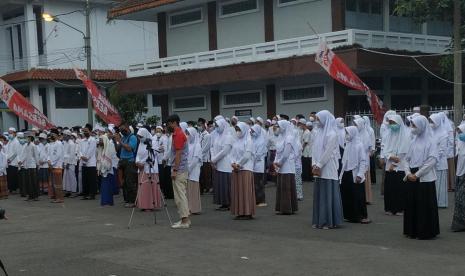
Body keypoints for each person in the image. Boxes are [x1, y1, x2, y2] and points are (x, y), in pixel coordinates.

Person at [403, 115, 440, 240]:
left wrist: (417, 174)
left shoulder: (431, 142)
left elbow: (432, 160)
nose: (412, 128)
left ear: (421, 126)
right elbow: (406, 159)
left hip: (424, 177)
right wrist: (408, 173)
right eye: (412, 125)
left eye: (414, 125)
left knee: (424, 205)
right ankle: (412, 230)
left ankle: (425, 231)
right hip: (412, 176)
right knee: (412, 203)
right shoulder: (413, 141)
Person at [311, 110, 343, 229]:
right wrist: (314, 163)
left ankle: (328, 221)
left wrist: (319, 164)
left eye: (318, 119)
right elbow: (314, 149)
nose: (317, 121)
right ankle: (319, 220)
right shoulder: (318, 132)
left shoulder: (332, 134)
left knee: (327, 192)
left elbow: (328, 152)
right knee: (320, 193)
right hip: (318, 166)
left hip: (328, 166)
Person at [339, 126, 370, 224]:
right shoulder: (348, 144)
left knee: (358, 196)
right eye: (346, 133)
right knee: (347, 195)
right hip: (346, 173)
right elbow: (345, 161)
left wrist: (360, 174)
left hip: (355, 174)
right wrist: (341, 175)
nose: (346, 135)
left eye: (348, 133)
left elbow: (363, 161)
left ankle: (361, 216)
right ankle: (349, 215)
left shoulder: (359, 145)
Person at [166, 114, 191, 229]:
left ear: (174, 123)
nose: (168, 126)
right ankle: (183, 219)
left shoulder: (179, 135)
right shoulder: (177, 134)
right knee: (179, 195)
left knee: (180, 195)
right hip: (180, 168)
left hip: (180, 169)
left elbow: (178, 154)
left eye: (169, 124)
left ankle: (185, 220)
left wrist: (175, 170)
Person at [383, 115, 410, 216]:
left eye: (394, 123)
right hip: (389, 163)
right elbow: (385, 150)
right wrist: (390, 156)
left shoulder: (405, 135)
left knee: (399, 187)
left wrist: (394, 164)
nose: (392, 125)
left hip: (400, 165)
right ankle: (389, 208)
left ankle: (400, 208)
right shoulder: (388, 135)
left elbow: (403, 152)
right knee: (390, 187)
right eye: (390, 123)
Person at [230, 122, 256, 219]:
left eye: (239, 130)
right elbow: (231, 154)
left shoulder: (249, 141)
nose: (238, 132)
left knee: (245, 191)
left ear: (244, 130)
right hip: (236, 169)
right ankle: (240, 212)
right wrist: (232, 163)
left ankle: (247, 212)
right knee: (238, 191)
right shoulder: (236, 141)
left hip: (245, 168)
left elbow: (247, 155)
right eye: (236, 130)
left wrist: (238, 164)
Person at [273, 120, 298, 215]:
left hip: (287, 165)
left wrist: (279, 162)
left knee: (286, 188)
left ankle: (287, 209)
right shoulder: (280, 137)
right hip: (280, 165)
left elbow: (286, 153)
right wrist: (275, 162)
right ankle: (282, 208)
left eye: (278, 126)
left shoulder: (289, 137)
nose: (276, 128)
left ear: (283, 127)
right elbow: (277, 152)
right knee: (281, 187)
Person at [135, 128, 161, 211]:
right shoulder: (140, 144)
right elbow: (138, 154)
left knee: (149, 187)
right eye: (138, 136)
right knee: (143, 188)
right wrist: (138, 162)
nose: (140, 138)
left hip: (149, 168)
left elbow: (152, 155)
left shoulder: (152, 143)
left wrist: (143, 163)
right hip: (141, 168)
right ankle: (143, 205)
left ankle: (150, 205)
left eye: (141, 136)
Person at [211, 118, 234, 211]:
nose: (216, 128)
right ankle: (223, 203)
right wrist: (213, 159)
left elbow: (224, 151)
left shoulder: (228, 137)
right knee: (220, 184)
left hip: (225, 164)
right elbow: (212, 147)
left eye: (217, 126)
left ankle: (228, 203)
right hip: (218, 163)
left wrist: (214, 159)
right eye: (215, 126)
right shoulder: (217, 136)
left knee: (226, 184)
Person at [115, 123, 138, 207]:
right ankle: (127, 199)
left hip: (130, 161)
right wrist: (117, 141)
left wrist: (120, 141)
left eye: (123, 129)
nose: (122, 131)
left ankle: (132, 201)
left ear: (128, 128)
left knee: (130, 182)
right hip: (122, 161)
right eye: (120, 129)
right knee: (123, 182)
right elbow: (118, 148)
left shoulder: (132, 137)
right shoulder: (123, 137)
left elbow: (129, 148)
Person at [429, 112, 449, 208]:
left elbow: (442, 150)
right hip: (432, 161)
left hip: (440, 162)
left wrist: (434, 159)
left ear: (437, 122)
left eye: (432, 122)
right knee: (434, 184)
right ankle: (433, 201)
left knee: (440, 184)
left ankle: (441, 203)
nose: (430, 124)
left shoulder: (443, 134)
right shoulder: (431, 132)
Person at [452, 124, 465, 232]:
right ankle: (460, 223)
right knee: (460, 198)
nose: (460, 134)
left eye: (461, 132)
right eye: (459, 132)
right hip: (460, 174)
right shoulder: (460, 143)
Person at [186, 127, 202, 214]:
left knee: (193, 188)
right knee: (188, 189)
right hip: (187, 169)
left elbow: (195, 159)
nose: (187, 136)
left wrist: (189, 169)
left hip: (194, 169)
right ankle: (188, 207)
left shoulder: (197, 145)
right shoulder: (188, 144)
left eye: (188, 134)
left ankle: (194, 208)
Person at [19, 133, 39, 201]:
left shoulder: (33, 146)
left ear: (31, 139)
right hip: (27, 165)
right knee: (28, 182)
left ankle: (35, 196)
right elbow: (24, 154)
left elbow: (36, 155)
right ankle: (30, 195)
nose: (27, 139)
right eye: (27, 137)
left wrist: (37, 164)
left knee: (33, 181)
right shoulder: (26, 145)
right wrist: (21, 161)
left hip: (32, 165)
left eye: (28, 138)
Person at [251, 124, 267, 207]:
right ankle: (255, 199)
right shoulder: (252, 139)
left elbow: (259, 154)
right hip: (252, 164)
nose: (252, 132)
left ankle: (261, 200)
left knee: (259, 183)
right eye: (251, 131)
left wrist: (252, 160)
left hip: (258, 164)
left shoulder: (261, 141)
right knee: (254, 184)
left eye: (253, 131)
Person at [98, 134, 116, 206]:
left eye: (101, 140)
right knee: (104, 187)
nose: (99, 142)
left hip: (109, 169)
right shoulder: (101, 147)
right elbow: (99, 157)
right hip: (103, 169)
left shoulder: (110, 146)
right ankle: (105, 201)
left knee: (108, 186)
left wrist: (106, 167)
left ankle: (108, 202)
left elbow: (111, 158)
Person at [80, 127, 97, 200]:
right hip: (83, 162)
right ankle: (85, 194)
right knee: (85, 179)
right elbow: (79, 150)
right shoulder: (82, 140)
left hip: (91, 162)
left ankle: (92, 194)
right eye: (84, 131)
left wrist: (86, 157)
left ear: (90, 131)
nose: (85, 132)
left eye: (86, 131)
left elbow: (91, 150)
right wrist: (81, 156)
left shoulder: (93, 140)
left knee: (91, 179)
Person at [48, 132, 64, 204]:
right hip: (52, 165)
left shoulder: (59, 143)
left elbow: (58, 155)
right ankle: (55, 197)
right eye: (51, 135)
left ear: (57, 136)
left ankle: (60, 198)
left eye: (53, 135)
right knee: (54, 183)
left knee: (58, 183)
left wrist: (52, 163)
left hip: (57, 165)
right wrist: (48, 161)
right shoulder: (51, 144)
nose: (52, 136)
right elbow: (48, 154)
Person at [198, 118, 212, 194]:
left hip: (205, 158)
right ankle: (202, 189)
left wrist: (199, 155)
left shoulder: (207, 135)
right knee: (201, 175)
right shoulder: (199, 134)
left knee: (206, 174)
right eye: (198, 125)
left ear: (204, 125)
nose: (199, 126)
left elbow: (206, 148)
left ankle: (207, 188)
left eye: (200, 125)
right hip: (200, 158)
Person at [62, 130, 78, 197]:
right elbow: (64, 153)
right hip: (66, 162)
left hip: (70, 163)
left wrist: (68, 163)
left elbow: (71, 155)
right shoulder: (65, 143)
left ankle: (73, 192)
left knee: (72, 177)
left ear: (68, 136)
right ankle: (68, 191)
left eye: (64, 135)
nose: (63, 136)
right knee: (66, 178)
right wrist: (63, 162)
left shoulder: (72, 143)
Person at [6, 127, 21, 194]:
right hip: (8, 162)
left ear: (15, 133)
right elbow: (7, 151)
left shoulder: (16, 142)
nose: (9, 134)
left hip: (14, 162)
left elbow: (16, 153)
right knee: (9, 176)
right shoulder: (9, 141)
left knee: (13, 176)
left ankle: (14, 189)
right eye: (9, 133)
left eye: (11, 133)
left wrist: (10, 159)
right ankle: (11, 189)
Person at [37, 133, 51, 197]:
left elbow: (49, 155)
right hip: (40, 164)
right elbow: (37, 154)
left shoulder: (48, 145)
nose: (41, 140)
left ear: (45, 139)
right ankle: (41, 189)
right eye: (40, 139)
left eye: (42, 139)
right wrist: (39, 161)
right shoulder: (39, 145)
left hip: (46, 165)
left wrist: (44, 161)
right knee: (40, 177)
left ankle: (46, 190)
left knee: (46, 177)